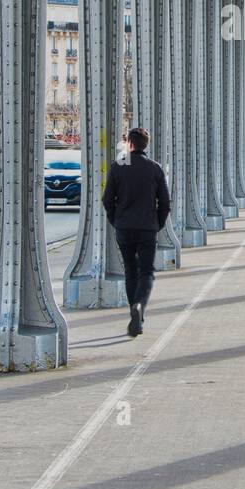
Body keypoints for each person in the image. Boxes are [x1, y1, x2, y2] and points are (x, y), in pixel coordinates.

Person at [102, 126, 171, 337]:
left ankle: (135, 310)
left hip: (124, 228)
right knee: (147, 272)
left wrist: (116, 221)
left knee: (130, 271)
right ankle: (139, 307)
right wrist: (156, 224)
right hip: (147, 228)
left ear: (129, 144)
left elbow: (107, 200)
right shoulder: (155, 168)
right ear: (146, 145)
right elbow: (165, 203)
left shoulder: (119, 166)